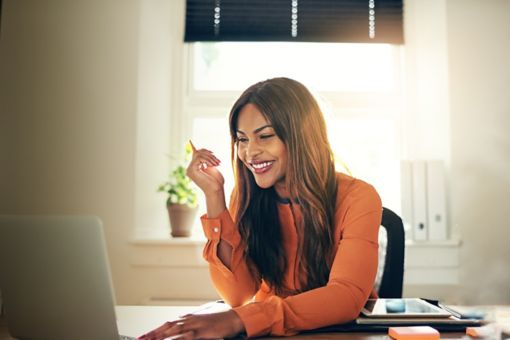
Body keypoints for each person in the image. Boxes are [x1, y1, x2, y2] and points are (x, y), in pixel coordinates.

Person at [139, 77, 382, 339]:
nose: (249, 153)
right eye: (242, 140)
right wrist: (214, 197)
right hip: (266, 332)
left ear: (302, 136)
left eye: (264, 136)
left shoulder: (359, 197)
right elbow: (238, 295)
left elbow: (345, 296)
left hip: (335, 333)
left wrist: (243, 319)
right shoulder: (246, 196)